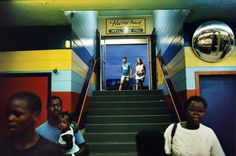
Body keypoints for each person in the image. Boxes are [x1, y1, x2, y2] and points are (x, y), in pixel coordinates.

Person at [0, 91, 64, 156]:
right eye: (8, 113)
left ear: (35, 115)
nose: (10, 118)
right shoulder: (2, 148)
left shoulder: (51, 151)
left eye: (17, 114)